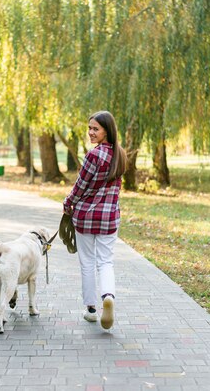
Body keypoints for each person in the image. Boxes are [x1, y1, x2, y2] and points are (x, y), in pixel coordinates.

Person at [63, 110, 127, 329]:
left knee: (88, 262)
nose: (90, 132)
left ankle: (91, 309)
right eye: (89, 128)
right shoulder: (121, 154)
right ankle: (108, 296)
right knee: (106, 261)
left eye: (95, 129)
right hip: (109, 218)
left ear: (106, 131)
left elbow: (81, 186)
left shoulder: (94, 155)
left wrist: (68, 202)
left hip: (86, 217)